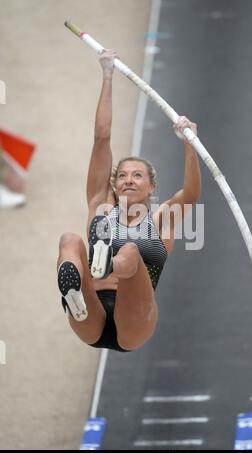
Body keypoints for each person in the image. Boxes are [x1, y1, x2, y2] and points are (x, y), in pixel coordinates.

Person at [57, 50, 201, 352]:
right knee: (70, 240)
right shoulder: (101, 205)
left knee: (132, 252)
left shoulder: (161, 220)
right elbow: (102, 138)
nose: (128, 180)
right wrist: (107, 75)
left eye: (137, 176)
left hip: (134, 321)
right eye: (122, 175)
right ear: (114, 183)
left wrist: (189, 145)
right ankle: (73, 294)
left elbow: (190, 194)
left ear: (152, 187)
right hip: (90, 312)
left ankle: (106, 260)